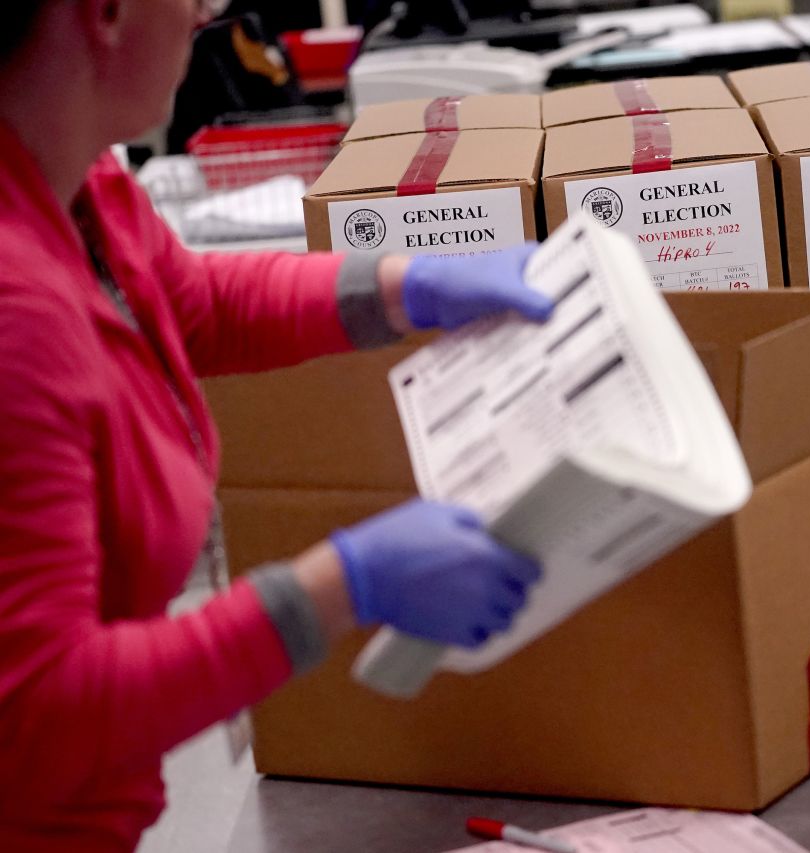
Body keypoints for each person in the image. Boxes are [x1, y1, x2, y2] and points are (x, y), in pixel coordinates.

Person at [0, 2, 553, 850]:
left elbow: (194, 304)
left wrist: (412, 286)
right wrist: (344, 584)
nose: (207, 11)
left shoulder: (77, 183)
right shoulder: (14, 314)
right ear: (104, 12)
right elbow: (42, 715)